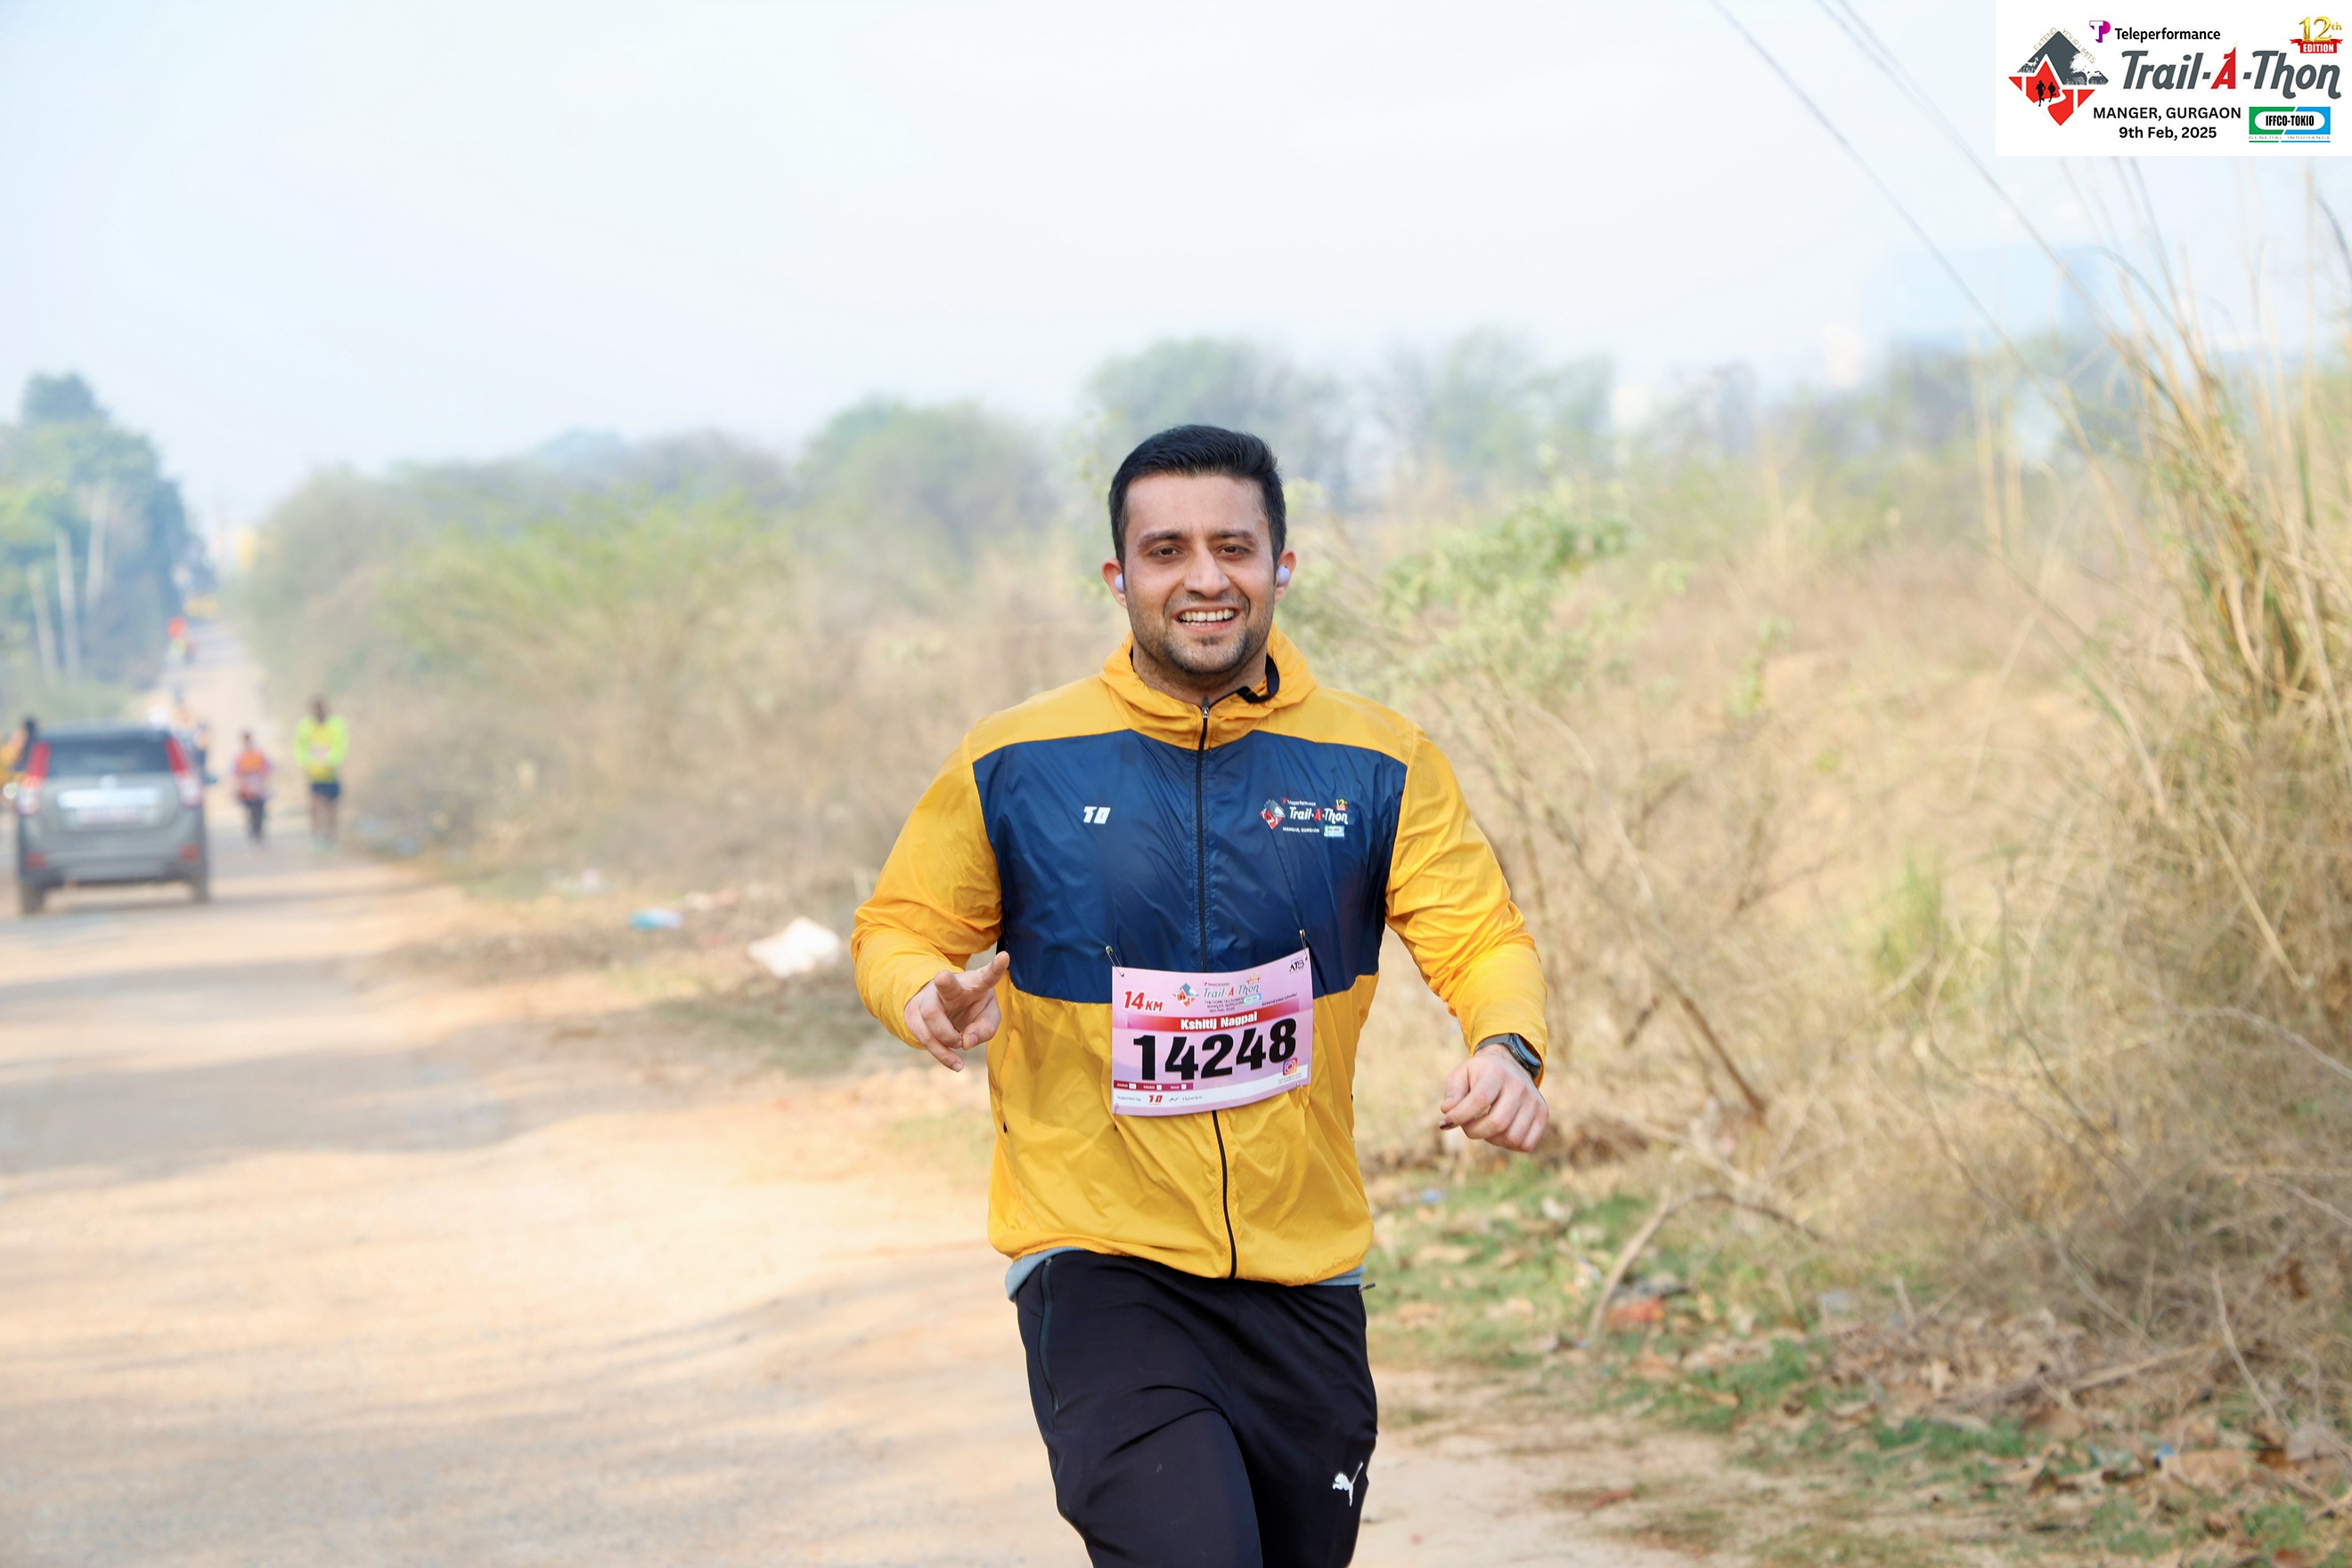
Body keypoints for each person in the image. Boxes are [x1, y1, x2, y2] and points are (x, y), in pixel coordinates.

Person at [853, 425, 1552, 1568]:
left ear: (1282, 564)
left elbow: (1481, 936)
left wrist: (1507, 1047)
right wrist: (916, 992)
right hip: (1100, 1261)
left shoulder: (1380, 759)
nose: (1204, 577)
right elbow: (900, 924)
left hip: (1305, 1271)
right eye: (1166, 549)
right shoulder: (1018, 758)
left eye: (1233, 546)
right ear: (1118, 574)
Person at [292, 698, 348, 845]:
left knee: (331, 808)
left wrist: (330, 761)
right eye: (316, 709)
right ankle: (316, 835)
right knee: (315, 807)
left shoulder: (336, 725)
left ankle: (331, 835)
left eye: (321, 709)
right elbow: (300, 748)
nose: (319, 712)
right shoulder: (305, 727)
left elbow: (340, 746)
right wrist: (306, 763)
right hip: (314, 775)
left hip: (331, 774)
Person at [232, 731, 271, 845]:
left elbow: (268, 767)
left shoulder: (259, 754)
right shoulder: (240, 756)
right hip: (246, 788)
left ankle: (259, 831)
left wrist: (261, 774)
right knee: (249, 812)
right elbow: (234, 771)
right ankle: (253, 831)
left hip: (259, 787)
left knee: (260, 810)